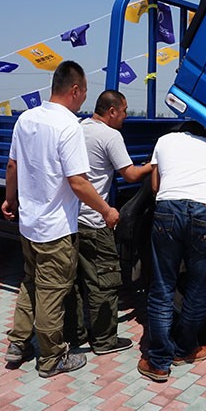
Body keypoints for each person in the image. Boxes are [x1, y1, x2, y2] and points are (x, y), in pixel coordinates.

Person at [1, 60, 120, 378]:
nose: (85, 99)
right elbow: (78, 182)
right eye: (85, 92)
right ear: (75, 90)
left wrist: (10, 199)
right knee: (52, 291)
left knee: (30, 283)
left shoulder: (26, 118)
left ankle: (18, 343)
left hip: (29, 225)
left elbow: (12, 166)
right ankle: (52, 357)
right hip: (55, 230)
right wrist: (106, 210)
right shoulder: (69, 126)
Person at [137, 121, 206, 382]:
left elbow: (155, 186)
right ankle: (185, 349)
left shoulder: (164, 141)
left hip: (168, 210)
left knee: (162, 287)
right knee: (199, 287)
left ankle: (158, 362)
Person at [64, 90, 153, 355]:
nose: (125, 116)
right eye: (124, 111)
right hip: (95, 219)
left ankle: (74, 334)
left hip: (71, 220)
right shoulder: (110, 135)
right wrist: (152, 164)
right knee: (103, 281)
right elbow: (131, 174)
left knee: (74, 283)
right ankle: (104, 341)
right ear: (112, 111)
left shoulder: (78, 128)